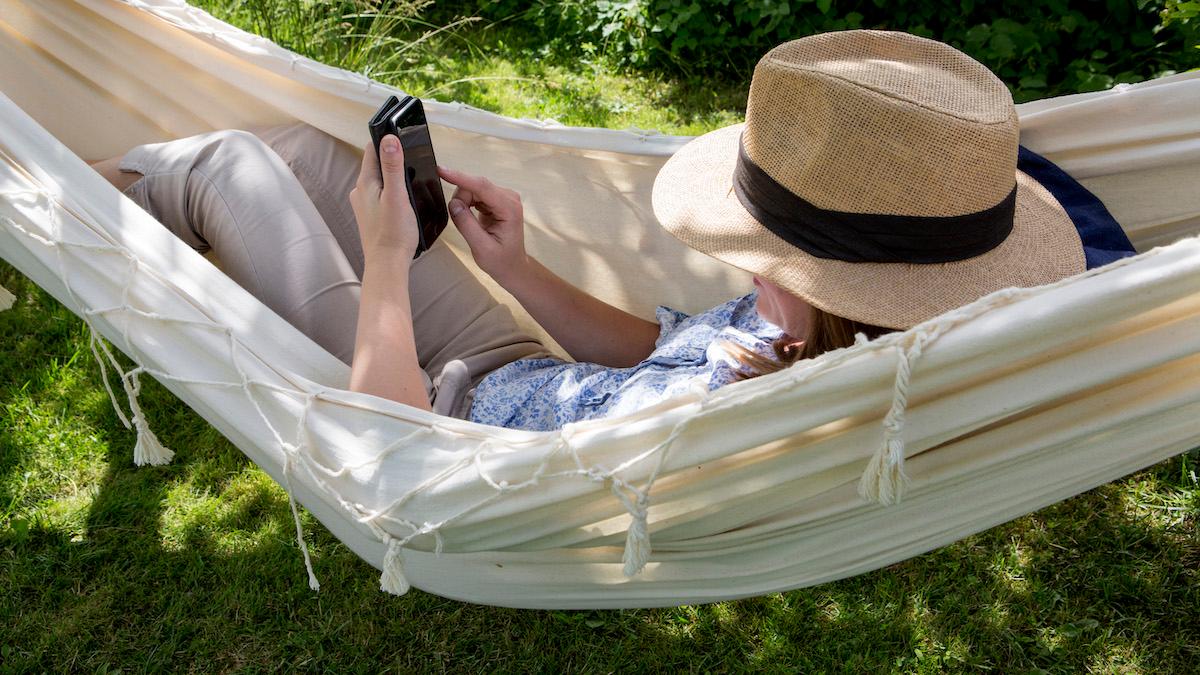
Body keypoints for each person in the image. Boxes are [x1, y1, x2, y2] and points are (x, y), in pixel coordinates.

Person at [89, 30, 1132, 431]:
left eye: (765, 260)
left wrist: (389, 269)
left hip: (424, 416)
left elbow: (384, 446)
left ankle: (43, 195)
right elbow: (647, 352)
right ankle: (55, 188)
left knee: (230, 170)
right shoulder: (817, 335)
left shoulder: (731, 421)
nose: (743, 269)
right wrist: (520, 270)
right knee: (325, 159)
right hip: (506, 363)